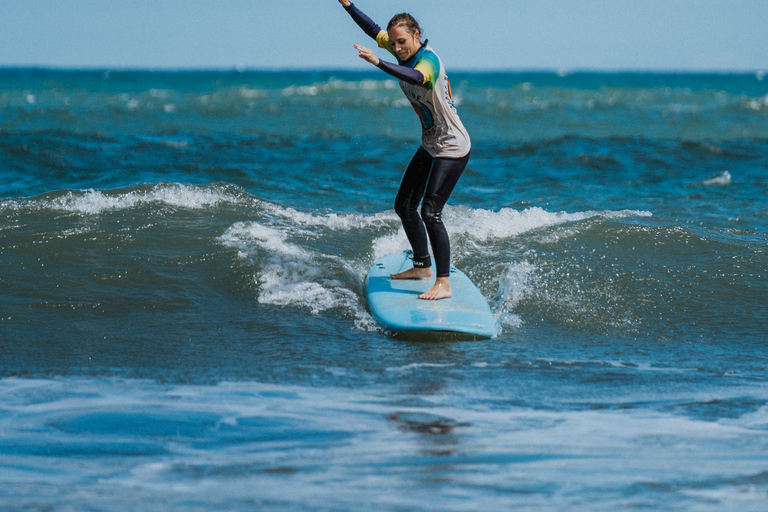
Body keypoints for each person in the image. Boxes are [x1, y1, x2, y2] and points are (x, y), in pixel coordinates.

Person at [336, 0, 471, 300]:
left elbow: (418, 78)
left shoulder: (428, 61)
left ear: (417, 35)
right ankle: (422, 265)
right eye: (393, 43)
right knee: (404, 205)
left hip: (453, 145)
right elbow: (374, 30)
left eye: (403, 42)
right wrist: (348, 6)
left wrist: (379, 63)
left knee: (430, 212)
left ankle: (443, 283)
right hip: (431, 144)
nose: (397, 48)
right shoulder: (398, 47)